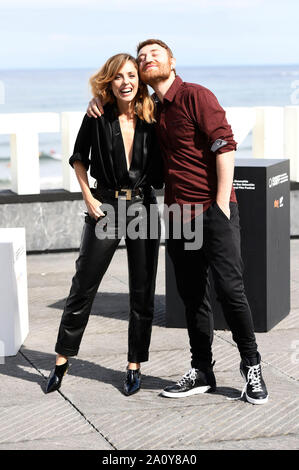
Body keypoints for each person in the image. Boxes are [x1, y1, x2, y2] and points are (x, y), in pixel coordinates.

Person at [87, 40, 269, 405]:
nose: (146, 59)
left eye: (154, 54)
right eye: (141, 57)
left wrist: (219, 204)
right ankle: (202, 369)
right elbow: (121, 111)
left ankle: (252, 366)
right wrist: (97, 102)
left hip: (212, 211)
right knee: (192, 297)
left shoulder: (196, 96)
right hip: (179, 215)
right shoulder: (151, 108)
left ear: (172, 61)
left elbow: (225, 145)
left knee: (231, 292)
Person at [46, 53, 163, 397]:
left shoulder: (153, 115)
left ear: (140, 79)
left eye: (131, 75)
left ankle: (134, 365)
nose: (125, 82)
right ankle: (61, 359)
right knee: (83, 285)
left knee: (142, 292)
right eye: (118, 77)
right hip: (106, 205)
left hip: (143, 205)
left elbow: (175, 92)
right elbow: (78, 157)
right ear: (108, 82)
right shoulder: (98, 115)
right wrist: (87, 196)